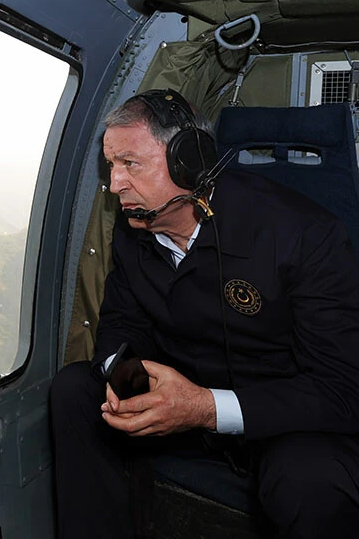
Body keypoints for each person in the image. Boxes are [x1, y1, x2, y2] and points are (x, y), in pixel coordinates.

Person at [50, 89, 359, 538]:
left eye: (130, 164)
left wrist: (203, 408)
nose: (115, 184)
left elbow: (342, 390)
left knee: (309, 480)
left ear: (188, 161)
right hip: (181, 405)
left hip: (280, 420)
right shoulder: (133, 231)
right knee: (74, 390)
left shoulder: (304, 235)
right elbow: (121, 323)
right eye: (111, 166)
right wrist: (131, 380)